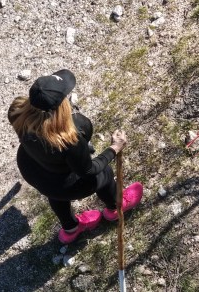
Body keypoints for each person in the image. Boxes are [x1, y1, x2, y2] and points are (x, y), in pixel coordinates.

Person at [8, 69, 143, 244]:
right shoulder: (68, 139)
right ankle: (115, 208)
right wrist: (114, 148)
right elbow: (88, 170)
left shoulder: (17, 111)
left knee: (54, 193)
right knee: (104, 174)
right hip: (65, 184)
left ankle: (70, 229)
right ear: (59, 108)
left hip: (35, 171)